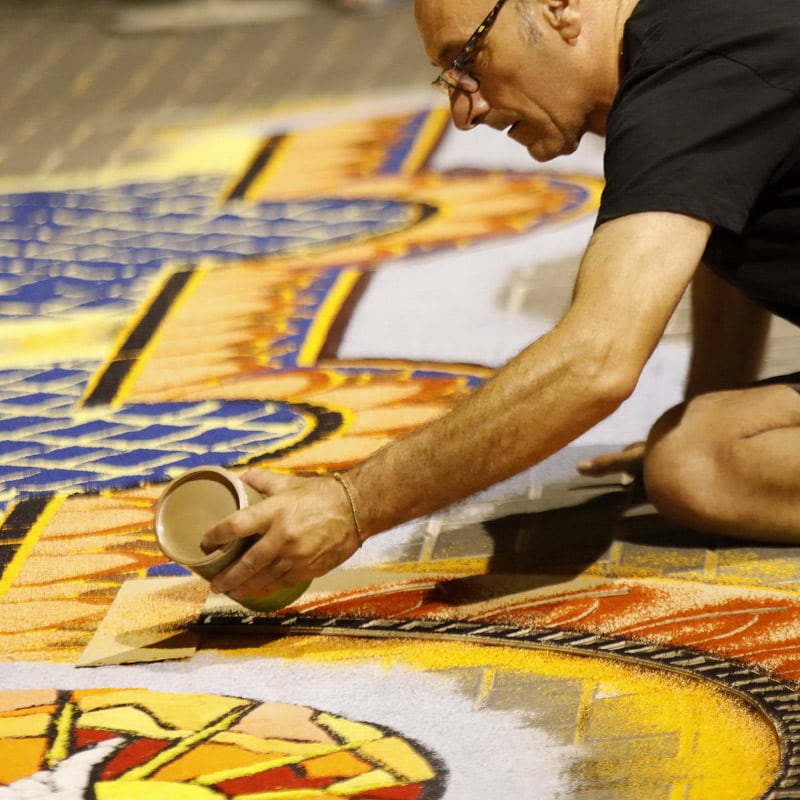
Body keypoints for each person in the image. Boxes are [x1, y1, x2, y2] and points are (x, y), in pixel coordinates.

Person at [201, 0, 800, 605]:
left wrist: (352, 505)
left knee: (694, 465)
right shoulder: (696, 41)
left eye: (469, 59)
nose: (465, 110)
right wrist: (707, 399)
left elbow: (594, 363)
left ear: (559, 8)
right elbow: (721, 221)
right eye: (450, 78)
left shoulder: (690, 83)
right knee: (698, 447)